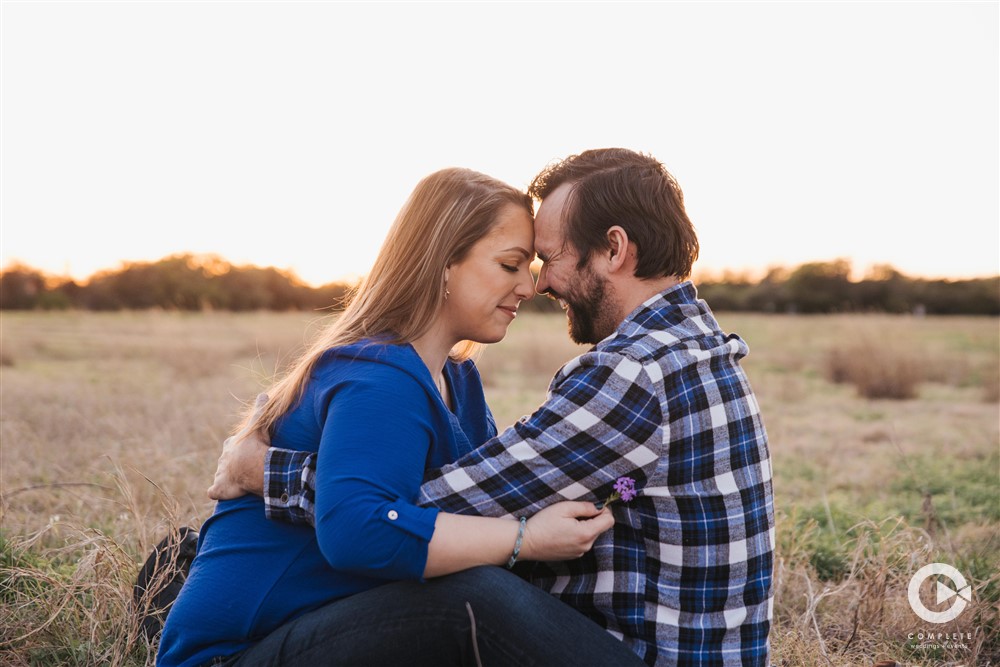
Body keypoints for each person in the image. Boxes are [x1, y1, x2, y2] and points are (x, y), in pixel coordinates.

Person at [210, 148, 776, 666]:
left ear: (613, 249)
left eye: (547, 258)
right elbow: (460, 508)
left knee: (474, 599)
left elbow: (420, 511)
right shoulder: (697, 350)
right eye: (517, 264)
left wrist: (264, 470)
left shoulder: (635, 373)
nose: (541, 284)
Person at [158, 167, 647, 667]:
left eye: (532, 264)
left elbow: (470, 508)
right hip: (236, 655)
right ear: (443, 264)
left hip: (341, 624)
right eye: (510, 264)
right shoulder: (378, 376)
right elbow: (359, 531)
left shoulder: (459, 380)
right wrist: (526, 540)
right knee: (472, 600)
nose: (529, 284)